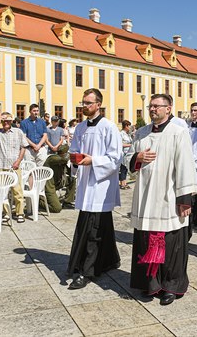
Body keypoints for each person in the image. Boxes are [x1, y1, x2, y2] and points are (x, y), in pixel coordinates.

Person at [128, 93, 197, 305]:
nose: (153, 109)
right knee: (146, 240)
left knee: (170, 243)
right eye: (151, 106)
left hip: (168, 196)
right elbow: (127, 161)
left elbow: (185, 164)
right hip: (146, 197)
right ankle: (150, 283)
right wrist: (136, 158)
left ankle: (170, 286)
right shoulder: (140, 133)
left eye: (158, 106)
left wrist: (185, 198)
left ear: (169, 109)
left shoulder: (178, 132)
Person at [67, 88, 122, 290]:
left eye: (88, 103)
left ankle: (87, 271)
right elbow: (74, 150)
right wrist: (74, 158)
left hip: (100, 184)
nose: (85, 106)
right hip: (85, 183)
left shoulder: (109, 127)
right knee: (97, 225)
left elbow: (116, 158)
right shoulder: (80, 127)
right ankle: (110, 260)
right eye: (83, 103)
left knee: (94, 229)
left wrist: (93, 161)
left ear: (98, 104)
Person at [0, 112, 28, 223]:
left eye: (8, 120)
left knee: (17, 190)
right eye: (4, 121)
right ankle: (6, 213)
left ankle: (20, 213)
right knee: (2, 192)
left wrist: (18, 161)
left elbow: (23, 147)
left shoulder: (18, 132)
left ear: (11, 121)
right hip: (0, 165)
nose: (6, 123)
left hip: (14, 165)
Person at [42, 116, 72, 213]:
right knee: (57, 208)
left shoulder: (60, 130)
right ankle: (40, 202)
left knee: (73, 179)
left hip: (58, 182)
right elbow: (64, 159)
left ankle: (68, 201)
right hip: (50, 186)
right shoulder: (52, 158)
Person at [119, 120, 133, 190]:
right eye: (129, 126)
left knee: (126, 169)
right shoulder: (121, 134)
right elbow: (120, 144)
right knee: (122, 169)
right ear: (126, 126)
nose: (130, 127)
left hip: (128, 154)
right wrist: (130, 145)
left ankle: (125, 182)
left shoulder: (127, 134)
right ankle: (122, 183)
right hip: (123, 154)